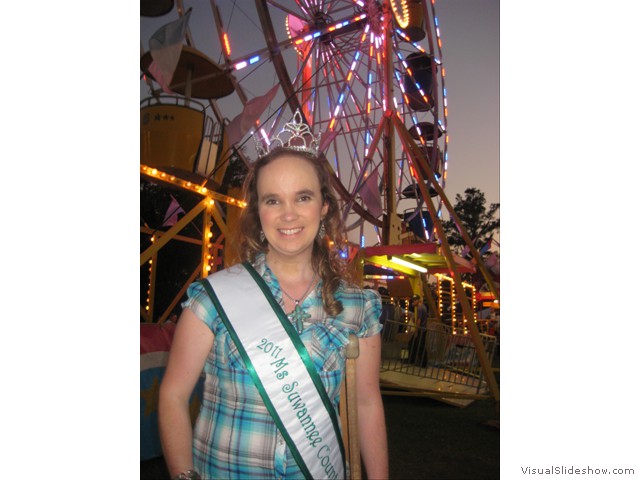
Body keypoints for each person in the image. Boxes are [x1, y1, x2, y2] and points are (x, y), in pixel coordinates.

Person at [158, 112, 388, 480]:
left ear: (324, 207)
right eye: (272, 200)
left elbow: (366, 403)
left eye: (303, 197)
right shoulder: (214, 298)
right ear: (258, 211)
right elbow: (172, 396)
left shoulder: (359, 307)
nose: (288, 214)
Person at [407, 294, 429, 367]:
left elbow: (419, 320)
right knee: (417, 345)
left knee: (420, 346)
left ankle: (422, 363)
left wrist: (416, 330)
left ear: (418, 300)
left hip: (421, 330)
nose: (413, 301)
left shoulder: (419, 308)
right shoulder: (423, 307)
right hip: (423, 329)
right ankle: (420, 362)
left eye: (414, 300)